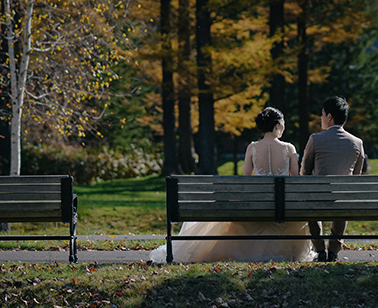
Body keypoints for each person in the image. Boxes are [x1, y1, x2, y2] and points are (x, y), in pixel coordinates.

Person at [149, 107, 314, 264]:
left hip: (257, 206)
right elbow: (294, 179)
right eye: (283, 124)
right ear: (277, 125)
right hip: (280, 209)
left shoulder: (252, 148)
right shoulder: (289, 148)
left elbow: (246, 179)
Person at [301, 96, 366, 262]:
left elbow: (304, 172)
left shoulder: (315, 139)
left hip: (318, 200)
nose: (321, 118)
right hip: (342, 201)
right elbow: (356, 177)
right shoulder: (357, 143)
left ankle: (320, 249)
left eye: (322, 115)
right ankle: (334, 250)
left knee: (311, 201)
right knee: (343, 197)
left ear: (329, 116)